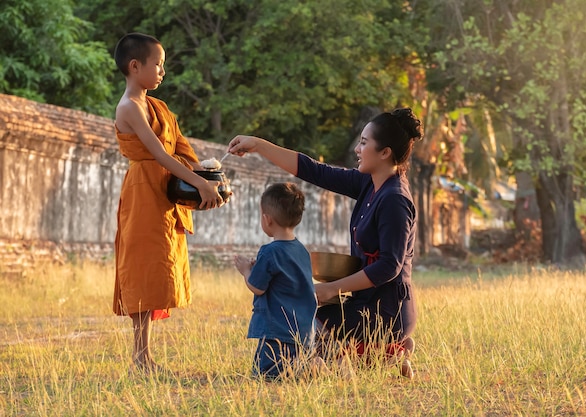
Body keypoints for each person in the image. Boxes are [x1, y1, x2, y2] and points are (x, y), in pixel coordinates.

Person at [227, 108, 421, 374]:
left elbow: (390, 266)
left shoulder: (395, 199)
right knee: (310, 313)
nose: (357, 148)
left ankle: (385, 350)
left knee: (302, 317)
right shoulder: (369, 182)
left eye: (364, 143)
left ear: (385, 152)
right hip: (365, 303)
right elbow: (314, 170)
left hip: (386, 312)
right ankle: (391, 353)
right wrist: (258, 145)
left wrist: (333, 289)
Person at [112, 32, 225, 373]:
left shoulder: (157, 106)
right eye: (158, 64)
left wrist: (211, 178)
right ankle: (139, 357)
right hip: (143, 192)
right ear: (135, 66)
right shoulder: (129, 107)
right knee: (143, 267)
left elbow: (179, 150)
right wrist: (199, 185)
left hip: (163, 193)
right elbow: (160, 154)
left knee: (159, 267)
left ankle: (145, 356)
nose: (162, 71)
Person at [234, 182, 318, 379]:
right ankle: (310, 365)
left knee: (264, 374)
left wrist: (246, 270)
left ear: (267, 219)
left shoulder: (270, 251)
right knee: (294, 365)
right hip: (304, 332)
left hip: (276, 333)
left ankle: (315, 369)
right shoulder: (301, 250)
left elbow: (257, 287)